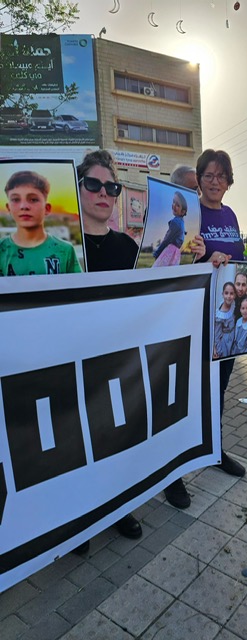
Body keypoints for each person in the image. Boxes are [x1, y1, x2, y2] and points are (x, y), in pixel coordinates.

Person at [76, 149, 143, 551]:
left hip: (118, 364)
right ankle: (80, 518)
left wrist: (204, 259)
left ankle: (118, 506)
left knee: (116, 439)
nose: (104, 193)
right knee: (77, 443)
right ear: (78, 186)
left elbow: (162, 292)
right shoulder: (61, 246)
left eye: (111, 187)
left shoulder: (129, 248)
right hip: (72, 365)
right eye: (94, 184)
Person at [196, 148, 247, 475]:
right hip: (197, 316)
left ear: (228, 182)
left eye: (221, 176)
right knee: (196, 386)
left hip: (227, 317)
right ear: (199, 179)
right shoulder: (192, 213)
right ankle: (185, 455)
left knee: (220, 385)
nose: (215, 182)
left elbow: (236, 257)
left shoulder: (230, 215)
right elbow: (175, 260)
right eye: (209, 175)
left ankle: (214, 449)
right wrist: (202, 259)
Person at [162, 165, 205, 509]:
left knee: (180, 398)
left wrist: (200, 256)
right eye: (192, 189)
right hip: (159, 325)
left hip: (186, 323)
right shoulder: (166, 220)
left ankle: (175, 469)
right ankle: (166, 476)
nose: (198, 195)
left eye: (198, 189)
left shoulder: (195, 227)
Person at [0, 170, 82, 276]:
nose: (24, 206)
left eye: (33, 200)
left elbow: (78, 285)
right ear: (8, 208)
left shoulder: (65, 250)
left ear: (47, 208)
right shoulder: (2, 249)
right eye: (16, 199)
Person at [152, 190, 187, 266]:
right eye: (173, 202)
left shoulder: (175, 222)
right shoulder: (181, 222)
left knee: (158, 269)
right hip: (176, 253)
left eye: (177, 205)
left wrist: (157, 253)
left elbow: (167, 239)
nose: (174, 205)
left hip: (170, 251)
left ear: (183, 212)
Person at [214, 281, 237, 359]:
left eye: (231, 293)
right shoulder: (219, 315)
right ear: (222, 294)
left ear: (234, 295)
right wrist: (218, 350)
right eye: (226, 293)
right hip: (225, 342)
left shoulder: (233, 304)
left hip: (233, 338)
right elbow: (217, 336)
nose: (229, 296)